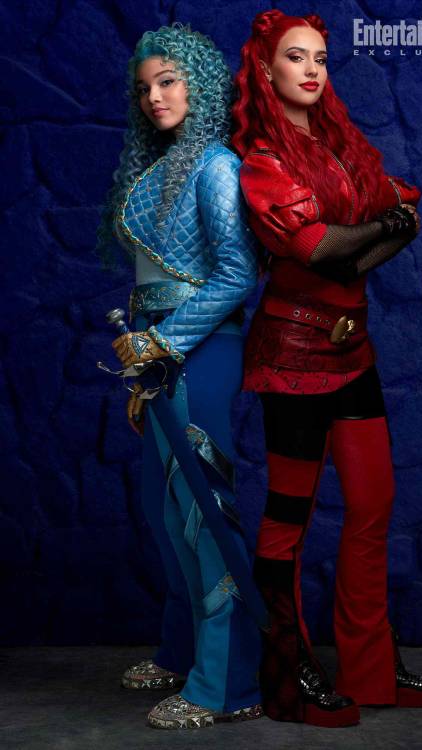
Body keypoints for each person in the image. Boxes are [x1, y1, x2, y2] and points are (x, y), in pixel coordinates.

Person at [232, 9, 422, 727]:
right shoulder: (262, 159)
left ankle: (371, 666)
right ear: (267, 70)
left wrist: (366, 240)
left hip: (354, 351)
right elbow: (317, 249)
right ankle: (288, 673)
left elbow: (393, 218)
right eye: (296, 57)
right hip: (292, 357)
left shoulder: (341, 145)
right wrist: (377, 230)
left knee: (373, 501)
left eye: (321, 58)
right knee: (287, 519)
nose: (313, 69)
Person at [97, 24, 262, 729]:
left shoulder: (216, 165)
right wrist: (144, 358)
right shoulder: (158, 166)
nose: (154, 96)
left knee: (202, 509)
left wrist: (162, 342)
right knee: (164, 510)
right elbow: (153, 283)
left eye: (167, 81)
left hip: (200, 349)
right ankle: (182, 648)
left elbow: (236, 274)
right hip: (156, 353)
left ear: (198, 83)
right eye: (144, 88)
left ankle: (228, 683)